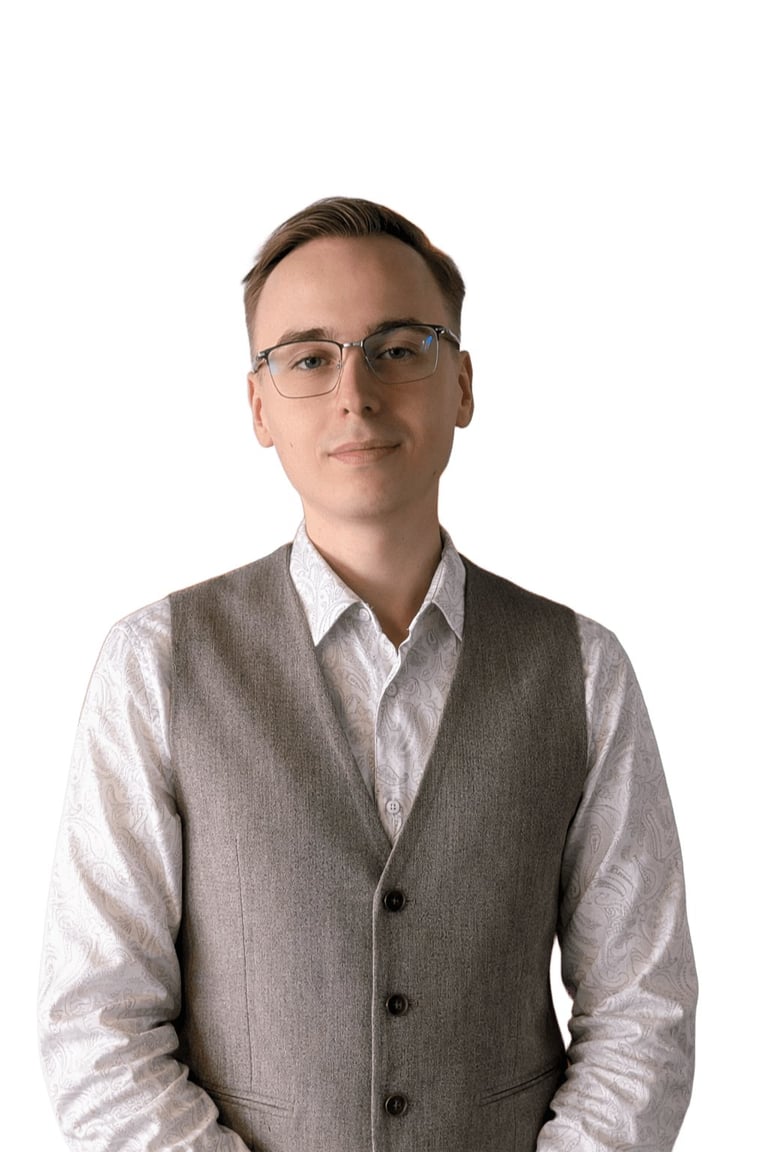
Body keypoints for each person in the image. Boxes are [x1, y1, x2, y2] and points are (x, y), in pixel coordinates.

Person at [38, 197, 697, 1152]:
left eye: (397, 347)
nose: (355, 393)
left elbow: (646, 1012)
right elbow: (96, 1024)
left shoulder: (582, 670)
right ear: (259, 406)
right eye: (309, 357)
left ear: (462, 384)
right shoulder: (155, 663)